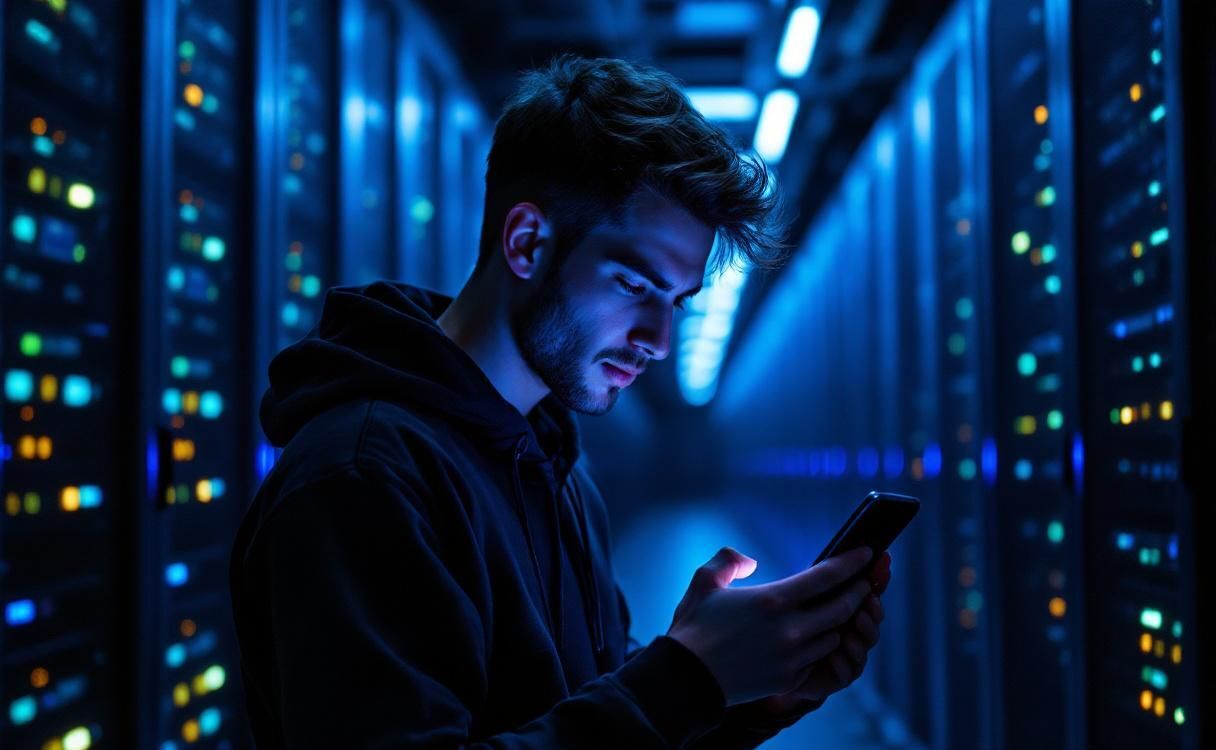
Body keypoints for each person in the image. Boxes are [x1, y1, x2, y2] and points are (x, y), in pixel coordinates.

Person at [228, 54, 893, 749]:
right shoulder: (363, 479)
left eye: (678, 302)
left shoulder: (560, 469)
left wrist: (739, 696)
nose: (660, 341)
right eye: (636, 286)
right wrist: (687, 677)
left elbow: (576, 710)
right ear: (527, 243)